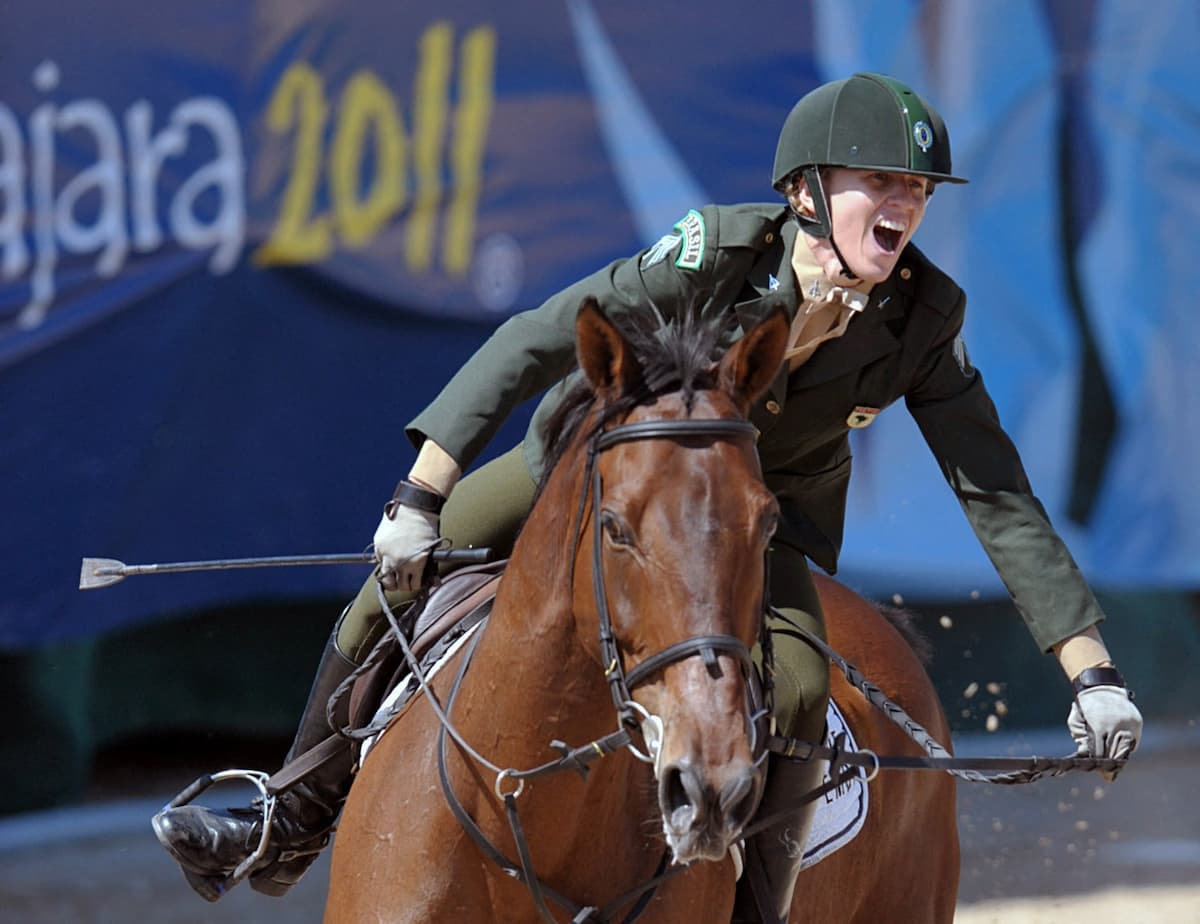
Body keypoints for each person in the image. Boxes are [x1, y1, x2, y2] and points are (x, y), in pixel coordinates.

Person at [153, 72, 1144, 920]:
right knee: (393, 584)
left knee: (799, 689)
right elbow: (540, 335)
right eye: (880, 181)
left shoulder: (924, 316)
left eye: (918, 188)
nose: (906, 203)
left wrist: (1091, 670)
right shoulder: (714, 252)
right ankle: (287, 813)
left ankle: (752, 904)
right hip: (591, 470)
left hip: (758, 526)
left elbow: (997, 492)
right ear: (804, 194)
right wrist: (423, 490)